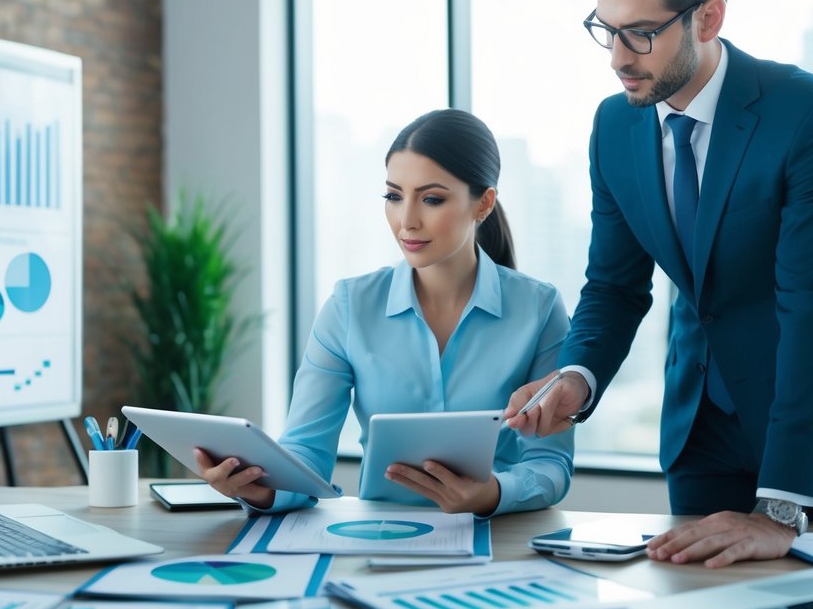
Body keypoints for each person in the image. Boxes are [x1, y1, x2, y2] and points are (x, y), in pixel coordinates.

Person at [505, 0, 813, 566]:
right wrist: (576, 374)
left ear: (707, 18)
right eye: (606, 29)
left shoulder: (812, 117)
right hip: (700, 425)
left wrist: (781, 508)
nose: (618, 58)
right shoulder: (615, 126)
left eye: (641, 33)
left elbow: (812, 306)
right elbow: (613, 284)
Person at [197, 108, 574, 516]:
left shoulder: (539, 308)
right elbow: (305, 450)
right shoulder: (348, 307)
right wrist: (261, 489)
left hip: (498, 541)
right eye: (394, 196)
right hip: (377, 542)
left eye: (431, 199)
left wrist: (494, 493)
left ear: (483, 204)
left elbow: (550, 464)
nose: (406, 220)